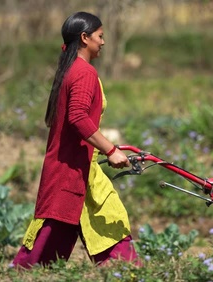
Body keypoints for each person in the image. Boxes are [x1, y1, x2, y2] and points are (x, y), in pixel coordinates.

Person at [10, 11, 140, 269]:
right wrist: (111, 149)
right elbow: (78, 118)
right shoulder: (84, 73)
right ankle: (124, 270)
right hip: (73, 168)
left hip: (75, 165)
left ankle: (124, 270)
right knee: (69, 221)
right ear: (84, 38)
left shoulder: (70, 70)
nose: (103, 42)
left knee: (78, 220)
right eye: (100, 36)